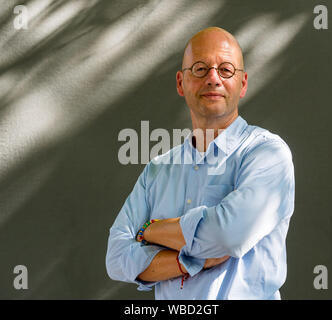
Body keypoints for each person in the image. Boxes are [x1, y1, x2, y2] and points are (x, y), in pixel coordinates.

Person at [106, 27, 295, 299]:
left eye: (226, 69)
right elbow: (116, 257)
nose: (213, 78)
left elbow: (228, 236)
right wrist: (189, 261)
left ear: (242, 84)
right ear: (181, 83)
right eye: (200, 68)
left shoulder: (267, 153)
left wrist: (150, 230)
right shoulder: (157, 170)